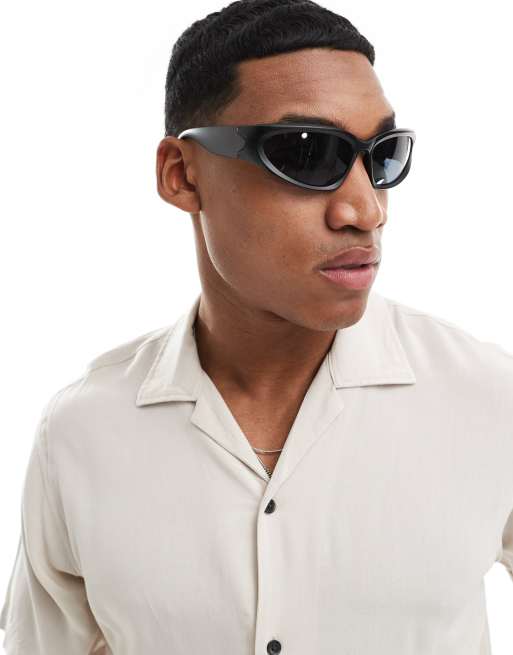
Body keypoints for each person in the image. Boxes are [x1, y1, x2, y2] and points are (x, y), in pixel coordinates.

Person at [1, 1, 513, 653]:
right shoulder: (81, 434)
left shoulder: (489, 400)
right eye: (307, 152)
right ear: (182, 174)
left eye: (382, 157)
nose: (365, 210)